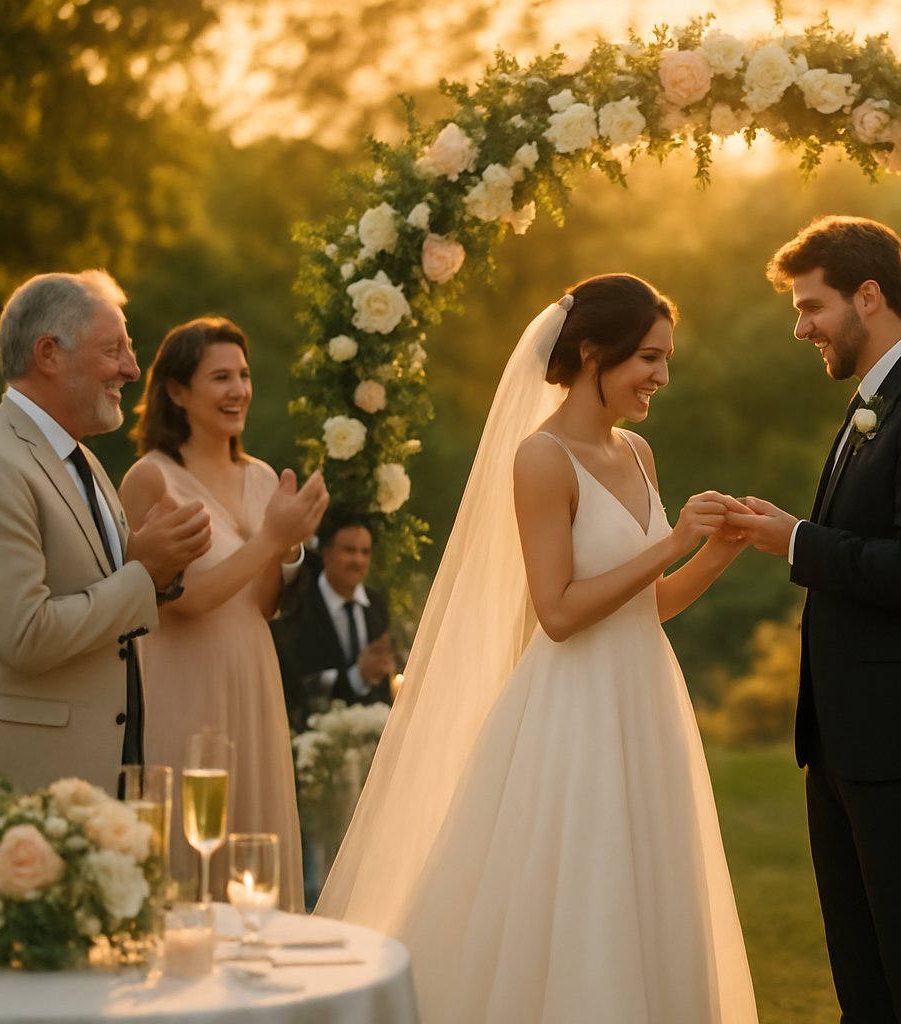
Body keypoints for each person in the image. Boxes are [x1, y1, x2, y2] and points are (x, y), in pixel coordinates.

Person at [316, 275, 757, 1022]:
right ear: (593, 351)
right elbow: (557, 612)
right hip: (574, 710)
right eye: (649, 358)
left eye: (666, 359)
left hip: (645, 701)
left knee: (652, 888)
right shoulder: (542, 458)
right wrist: (674, 540)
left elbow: (644, 608)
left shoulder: (638, 452)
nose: (662, 377)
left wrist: (715, 554)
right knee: (583, 894)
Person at [726, 216, 901, 1023]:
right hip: (847, 738)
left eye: (812, 307)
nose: (801, 326)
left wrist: (795, 540)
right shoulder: (874, 402)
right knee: (864, 976)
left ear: (868, 296)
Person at [119, 316, 327, 910]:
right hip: (186, 685)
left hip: (254, 678)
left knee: (254, 842)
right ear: (178, 392)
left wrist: (287, 551)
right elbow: (188, 600)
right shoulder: (151, 477)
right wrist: (271, 540)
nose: (238, 389)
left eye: (243, 375)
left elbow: (259, 606)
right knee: (190, 851)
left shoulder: (262, 476)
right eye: (220, 377)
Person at [0, 271, 211, 793]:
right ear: (49, 353)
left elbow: (97, 600)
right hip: (37, 788)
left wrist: (152, 568)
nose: (133, 370)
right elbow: (25, 635)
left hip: (111, 778)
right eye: (114, 350)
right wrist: (143, 572)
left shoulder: (85, 460)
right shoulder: (3, 462)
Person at [273, 514, 397, 734]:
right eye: (349, 550)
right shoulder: (300, 607)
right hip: (312, 735)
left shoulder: (375, 605)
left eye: (365, 552)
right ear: (326, 553)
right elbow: (298, 682)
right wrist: (357, 675)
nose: (358, 560)